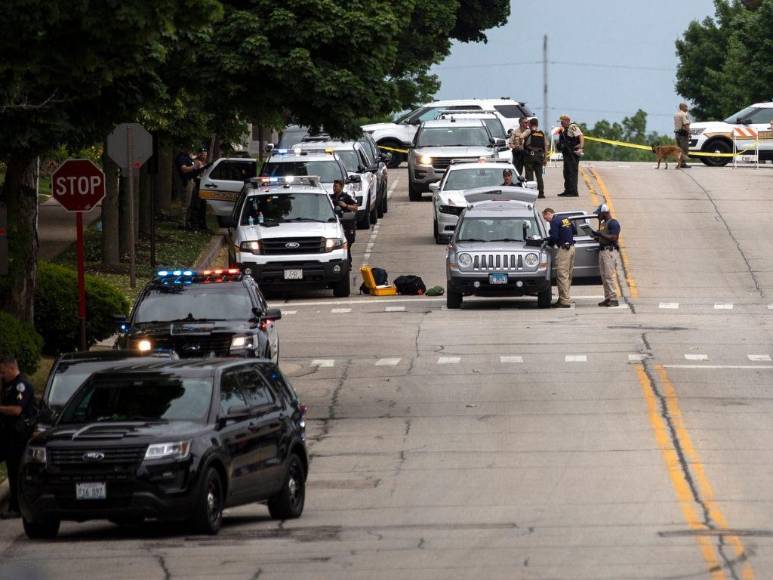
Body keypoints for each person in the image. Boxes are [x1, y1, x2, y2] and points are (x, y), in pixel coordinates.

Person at [0, 354, 36, 518]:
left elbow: (16, 410)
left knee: (16, 472)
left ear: (11, 368)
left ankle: (17, 507)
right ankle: (15, 505)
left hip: (19, 437)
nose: (2, 375)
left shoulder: (21, 385)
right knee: (12, 471)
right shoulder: (9, 385)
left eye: (3, 372)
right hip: (8, 435)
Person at [542, 208, 576, 308]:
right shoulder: (566, 219)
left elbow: (554, 238)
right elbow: (574, 231)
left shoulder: (554, 221)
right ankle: (565, 297)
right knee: (568, 275)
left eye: (546, 218)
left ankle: (564, 301)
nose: (547, 221)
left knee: (562, 275)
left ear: (548, 214)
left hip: (564, 250)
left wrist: (546, 241)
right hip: (572, 248)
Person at [591, 204, 621, 307]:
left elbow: (614, 237)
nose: (598, 216)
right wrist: (596, 236)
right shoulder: (604, 224)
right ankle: (607, 298)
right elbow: (604, 237)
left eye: (599, 214)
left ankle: (613, 298)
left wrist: (600, 234)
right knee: (604, 276)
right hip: (603, 251)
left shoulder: (613, 223)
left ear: (604, 213)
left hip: (609, 252)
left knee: (609, 276)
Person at [175, 147, 205, 229]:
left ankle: (186, 222)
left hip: (190, 181)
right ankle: (182, 223)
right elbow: (184, 169)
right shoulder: (181, 158)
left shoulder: (187, 157)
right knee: (186, 203)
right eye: (189, 148)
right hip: (186, 182)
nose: (191, 150)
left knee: (189, 204)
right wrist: (194, 167)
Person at [330, 179, 358, 264]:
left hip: (346, 224)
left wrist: (346, 205)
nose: (334, 188)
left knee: (347, 244)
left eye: (336, 186)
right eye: (333, 186)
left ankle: (348, 263)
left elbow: (356, 208)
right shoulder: (331, 197)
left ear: (341, 187)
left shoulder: (346, 197)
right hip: (334, 224)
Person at [556, 115, 584, 197]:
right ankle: (567, 190)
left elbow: (581, 136)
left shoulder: (572, 126)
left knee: (572, 172)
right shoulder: (564, 130)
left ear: (567, 120)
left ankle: (573, 192)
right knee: (567, 172)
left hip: (572, 154)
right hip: (567, 154)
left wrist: (581, 146)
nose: (561, 123)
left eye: (562, 121)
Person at [523, 118, 547, 199]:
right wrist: (545, 158)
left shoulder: (529, 131)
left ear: (530, 124)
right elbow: (545, 146)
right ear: (537, 124)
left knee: (529, 175)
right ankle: (541, 193)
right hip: (540, 156)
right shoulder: (541, 133)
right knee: (539, 176)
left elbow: (521, 138)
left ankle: (531, 192)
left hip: (530, 156)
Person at [674, 102, 691, 169]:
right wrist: (689, 133)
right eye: (686, 107)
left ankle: (679, 163)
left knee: (678, 150)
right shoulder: (683, 114)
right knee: (684, 149)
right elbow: (686, 125)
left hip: (677, 134)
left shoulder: (676, 114)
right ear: (682, 107)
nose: (687, 108)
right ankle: (683, 163)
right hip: (683, 135)